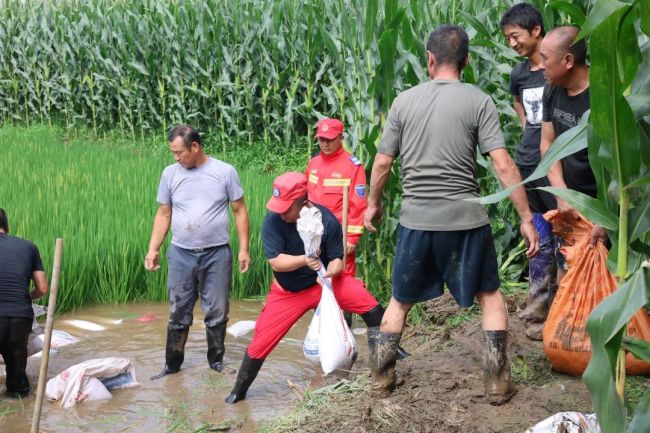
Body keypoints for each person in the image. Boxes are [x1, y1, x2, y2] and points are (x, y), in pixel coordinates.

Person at [364, 25, 539, 405]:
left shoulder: (403, 102)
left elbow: (382, 163)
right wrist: (526, 217)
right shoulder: (478, 101)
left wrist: (373, 204)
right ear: (468, 61)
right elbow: (503, 164)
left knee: (399, 301)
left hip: (416, 220)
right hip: (466, 221)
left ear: (430, 58)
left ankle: (380, 377)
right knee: (490, 296)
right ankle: (496, 382)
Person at [225, 172, 387, 404]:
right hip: (288, 293)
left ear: (302, 202)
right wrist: (304, 259)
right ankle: (237, 394)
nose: (279, 212)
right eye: (277, 206)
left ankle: (387, 359)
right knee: (261, 342)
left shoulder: (326, 220)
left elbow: (337, 260)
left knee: (369, 304)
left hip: (324, 283)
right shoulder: (273, 221)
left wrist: (331, 271)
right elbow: (276, 261)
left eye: (285, 207)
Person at [144, 124, 251, 379]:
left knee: (217, 310)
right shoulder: (170, 174)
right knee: (178, 311)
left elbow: (239, 210)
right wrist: (153, 249)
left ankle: (216, 361)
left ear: (195, 146)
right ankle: (172, 365)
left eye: (179, 152)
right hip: (181, 253)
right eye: (173, 153)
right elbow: (164, 212)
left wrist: (244, 249)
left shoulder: (224, 172)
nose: (176, 158)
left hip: (217, 254)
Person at [501, 3, 560, 340]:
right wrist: (528, 129)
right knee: (537, 232)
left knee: (563, 230)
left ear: (536, 30)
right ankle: (537, 306)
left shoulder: (556, 68)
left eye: (516, 36)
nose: (512, 43)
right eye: (508, 38)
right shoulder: (520, 73)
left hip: (555, 162)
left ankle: (564, 306)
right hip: (527, 162)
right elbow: (517, 101)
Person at [539, 26, 606, 247]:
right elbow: (548, 144)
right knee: (565, 270)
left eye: (545, 59)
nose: (540, 65)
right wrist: (562, 195)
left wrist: (607, 217)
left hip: (601, 209)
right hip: (567, 204)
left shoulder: (604, 97)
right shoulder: (552, 89)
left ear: (568, 61)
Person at [306, 118, 366, 277]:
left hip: (339, 236)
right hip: (313, 234)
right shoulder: (314, 163)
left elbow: (358, 205)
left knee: (342, 281)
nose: (325, 144)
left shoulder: (352, 166)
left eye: (330, 140)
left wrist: (352, 238)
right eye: (322, 139)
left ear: (341, 138)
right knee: (313, 279)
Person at [0, 208, 48, 398]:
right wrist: (24, 298)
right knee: (17, 370)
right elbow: (43, 288)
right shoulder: (28, 246)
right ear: (6, 225)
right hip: (21, 315)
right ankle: (20, 413)